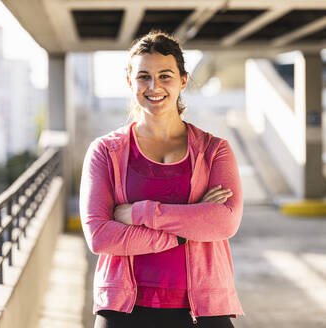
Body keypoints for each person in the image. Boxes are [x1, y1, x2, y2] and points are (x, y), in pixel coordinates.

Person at [79, 30, 244, 328]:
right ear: (130, 82)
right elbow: (100, 236)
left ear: (182, 80)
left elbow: (224, 222)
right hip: (123, 308)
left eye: (165, 76)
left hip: (203, 307)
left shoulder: (213, 150)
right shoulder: (105, 151)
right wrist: (187, 229)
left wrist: (139, 213)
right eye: (143, 77)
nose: (154, 86)